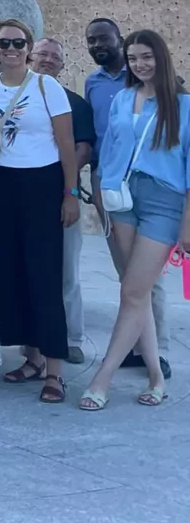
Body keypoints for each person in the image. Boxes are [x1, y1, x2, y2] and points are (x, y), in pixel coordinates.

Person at [0, 18, 79, 405]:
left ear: (28, 48)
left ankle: (56, 371)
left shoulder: (47, 88)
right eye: (4, 43)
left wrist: (70, 194)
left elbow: (67, 145)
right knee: (12, 273)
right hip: (1, 186)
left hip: (42, 185)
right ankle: (32, 358)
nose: (11, 49)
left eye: (18, 43)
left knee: (45, 275)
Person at [79, 30, 190, 411]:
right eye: (133, 58)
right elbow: (110, 149)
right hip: (121, 198)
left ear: (161, 58)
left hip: (164, 202)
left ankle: (102, 377)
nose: (140, 64)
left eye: (146, 56)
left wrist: (187, 225)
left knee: (133, 291)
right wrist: (101, 196)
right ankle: (156, 375)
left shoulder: (184, 106)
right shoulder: (124, 98)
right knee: (134, 291)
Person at [84, 16, 171, 378]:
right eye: (91, 40)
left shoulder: (165, 90)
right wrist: (98, 186)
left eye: (103, 38)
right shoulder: (94, 83)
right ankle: (138, 345)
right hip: (112, 183)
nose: (97, 45)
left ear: (119, 39)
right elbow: (100, 137)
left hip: (152, 186)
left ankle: (157, 351)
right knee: (126, 271)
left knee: (148, 276)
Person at [29, 38, 94, 364]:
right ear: (30, 57)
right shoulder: (15, 96)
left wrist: (61, 178)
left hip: (62, 194)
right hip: (24, 196)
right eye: (42, 54)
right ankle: (31, 340)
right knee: (28, 269)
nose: (48, 60)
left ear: (63, 65)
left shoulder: (75, 103)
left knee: (67, 270)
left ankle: (71, 338)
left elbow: (83, 148)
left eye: (55, 57)